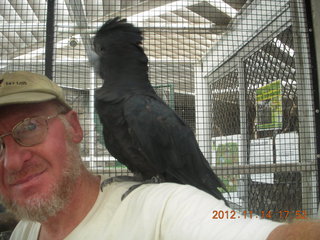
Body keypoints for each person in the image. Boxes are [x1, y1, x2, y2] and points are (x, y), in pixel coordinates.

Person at [0, 71, 319, 240]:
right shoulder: (24, 231)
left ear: (74, 127)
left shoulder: (165, 208)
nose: (12, 161)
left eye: (30, 127)